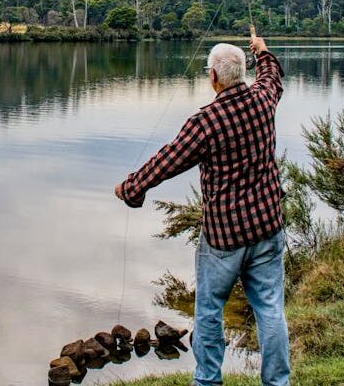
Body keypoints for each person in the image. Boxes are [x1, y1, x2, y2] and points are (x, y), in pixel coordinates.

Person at [115, 31, 288, 386]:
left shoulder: (205, 122)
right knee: (270, 310)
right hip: (268, 227)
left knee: (209, 312)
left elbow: (168, 161)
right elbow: (272, 77)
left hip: (224, 238)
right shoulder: (263, 99)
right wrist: (263, 51)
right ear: (240, 73)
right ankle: (277, 382)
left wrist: (132, 188)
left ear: (213, 77)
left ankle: (208, 381)